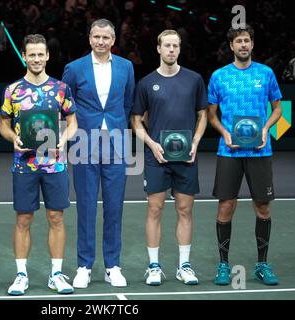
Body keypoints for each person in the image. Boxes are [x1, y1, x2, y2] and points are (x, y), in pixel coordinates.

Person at [0, 34, 78, 295]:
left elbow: (73, 123)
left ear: (47, 56)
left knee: (56, 217)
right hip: (24, 165)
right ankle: (21, 275)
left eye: (40, 54)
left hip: (54, 165)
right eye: (30, 54)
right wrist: (14, 138)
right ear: (24, 56)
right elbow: (3, 126)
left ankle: (56, 274)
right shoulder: (12, 90)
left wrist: (63, 141)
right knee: (24, 218)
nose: (35, 58)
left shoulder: (61, 88)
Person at [62, 18, 135, 288]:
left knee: (114, 206)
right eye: (96, 37)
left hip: (116, 140)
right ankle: (84, 266)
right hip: (83, 142)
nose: (100, 42)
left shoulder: (126, 67)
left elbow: (127, 102)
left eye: (105, 37)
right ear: (89, 38)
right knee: (86, 205)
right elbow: (66, 105)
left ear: (113, 40)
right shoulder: (74, 68)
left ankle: (113, 266)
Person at [131, 30, 207, 286]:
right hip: (157, 157)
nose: (172, 50)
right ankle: (154, 267)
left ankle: (183, 266)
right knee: (155, 209)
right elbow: (136, 120)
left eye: (175, 46)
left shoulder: (194, 79)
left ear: (179, 49)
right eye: (167, 45)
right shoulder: (146, 83)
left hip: (186, 157)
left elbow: (202, 115)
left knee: (185, 210)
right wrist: (151, 144)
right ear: (159, 49)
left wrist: (195, 142)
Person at [207, 25, 282, 286]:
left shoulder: (266, 73)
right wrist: (225, 134)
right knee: (226, 206)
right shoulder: (218, 76)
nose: (243, 45)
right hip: (229, 151)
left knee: (263, 207)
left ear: (252, 44)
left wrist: (264, 129)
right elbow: (211, 115)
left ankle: (262, 264)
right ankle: (224, 265)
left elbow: (278, 109)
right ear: (231, 46)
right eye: (238, 41)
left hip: (261, 151)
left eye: (247, 40)